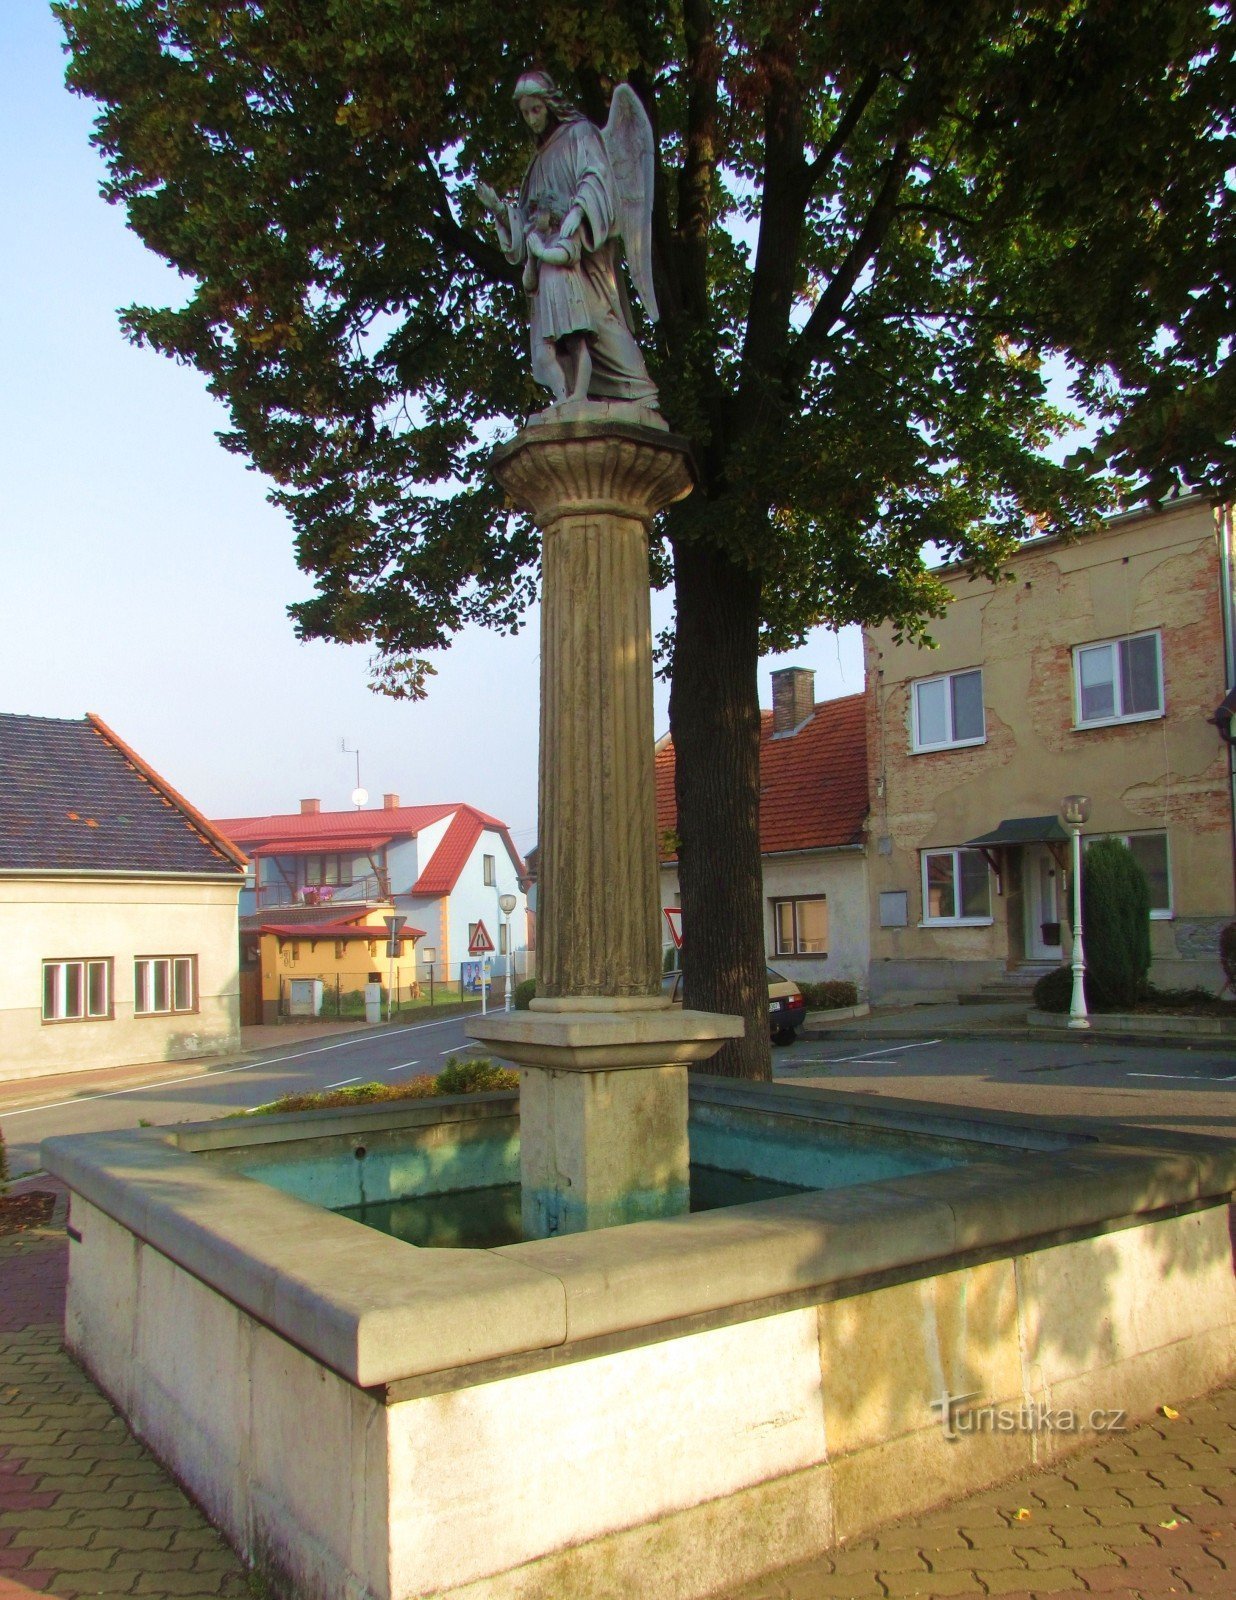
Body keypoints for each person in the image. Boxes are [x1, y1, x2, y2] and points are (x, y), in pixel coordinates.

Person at [477, 70, 658, 407]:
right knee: (549, 349)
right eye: (526, 112)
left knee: (595, 321)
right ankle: (571, 397)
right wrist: (501, 212)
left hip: (577, 250)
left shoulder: (580, 134)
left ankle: (640, 390)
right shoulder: (536, 162)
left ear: (550, 104)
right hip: (547, 258)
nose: (532, 119)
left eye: (536, 109)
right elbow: (527, 221)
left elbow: (597, 177)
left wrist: (577, 213)